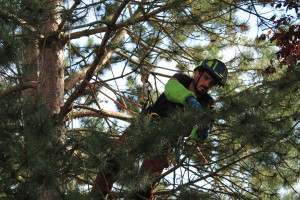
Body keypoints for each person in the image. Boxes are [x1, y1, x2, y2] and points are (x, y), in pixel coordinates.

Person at [91, 59, 228, 199]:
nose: (207, 84)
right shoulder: (181, 80)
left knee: (144, 188)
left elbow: (199, 134)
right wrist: (189, 99)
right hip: (145, 126)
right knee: (112, 162)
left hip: (166, 144)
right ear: (196, 73)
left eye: (211, 83)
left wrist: (202, 132)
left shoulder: (209, 104)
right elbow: (171, 89)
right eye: (206, 78)